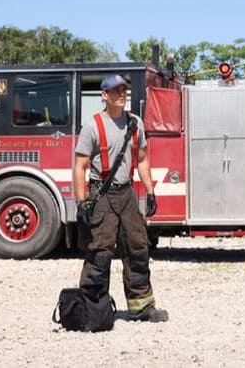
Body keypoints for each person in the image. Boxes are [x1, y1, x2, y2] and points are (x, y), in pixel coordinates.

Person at [73, 74, 168, 322]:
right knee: (100, 252)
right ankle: (94, 310)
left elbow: (143, 159)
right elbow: (80, 166)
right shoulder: (92, 126)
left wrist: (150, 192)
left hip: (126, 193)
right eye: (115, 91)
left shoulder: (135, 123)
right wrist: (82, 201)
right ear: (104, 96)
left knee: (138, 247)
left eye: (124, 90)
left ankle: (142, 306)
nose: (121, 95)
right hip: (101, 194)